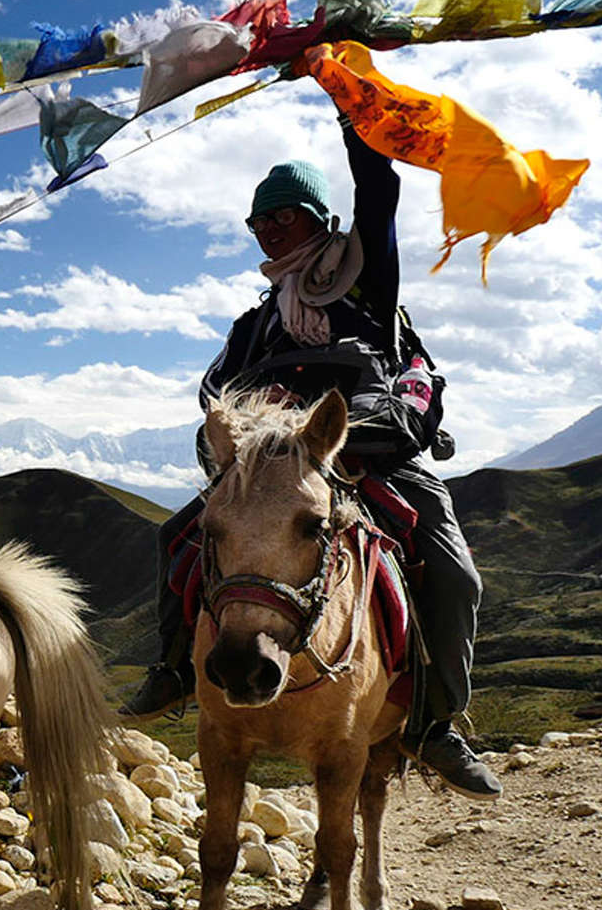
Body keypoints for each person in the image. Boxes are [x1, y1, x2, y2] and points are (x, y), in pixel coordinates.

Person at [121, 110, 501, 802]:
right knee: (177, 538)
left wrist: (357, 115)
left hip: (373, 457)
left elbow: (378, 195)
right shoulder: (257, 320)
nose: (268, 230)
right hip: (273, 471)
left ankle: (435, 720)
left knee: (454, 573)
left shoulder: (363, 280)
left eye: (284, 216)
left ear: (320, 218)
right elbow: (216, 389)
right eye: (258, 222)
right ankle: (177, 667)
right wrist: (247, 438)